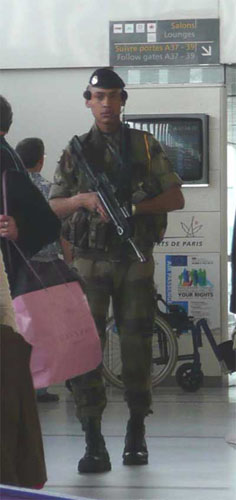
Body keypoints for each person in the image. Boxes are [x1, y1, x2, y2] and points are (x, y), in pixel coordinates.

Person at [49, 68, 185, 473]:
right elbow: (54, 206)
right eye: (98, 96)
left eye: (113, 96)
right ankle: (92, 438)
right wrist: (83, 200)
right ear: (87, 101)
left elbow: (175, 197)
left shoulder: (145, 146)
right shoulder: (75, 152)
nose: (106, 103)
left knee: (137, 345)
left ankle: (136, 432)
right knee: (86, 346)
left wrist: (133, 209)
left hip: (134, 260)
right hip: (89, 261)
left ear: (123, 100)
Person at [0, 95, 61, 486]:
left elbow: (44, 223)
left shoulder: (6, 163)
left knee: (8, 392)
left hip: (3, 291)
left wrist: (17, 230)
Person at [15, 136, 67, 403]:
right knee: (44, 330)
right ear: (41, 159)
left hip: (15, 268)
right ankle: (40, 388)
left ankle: (17, 385)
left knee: (19, 328)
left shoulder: (10, 189)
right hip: (46, 270)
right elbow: (62, 234)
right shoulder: (49, 191)